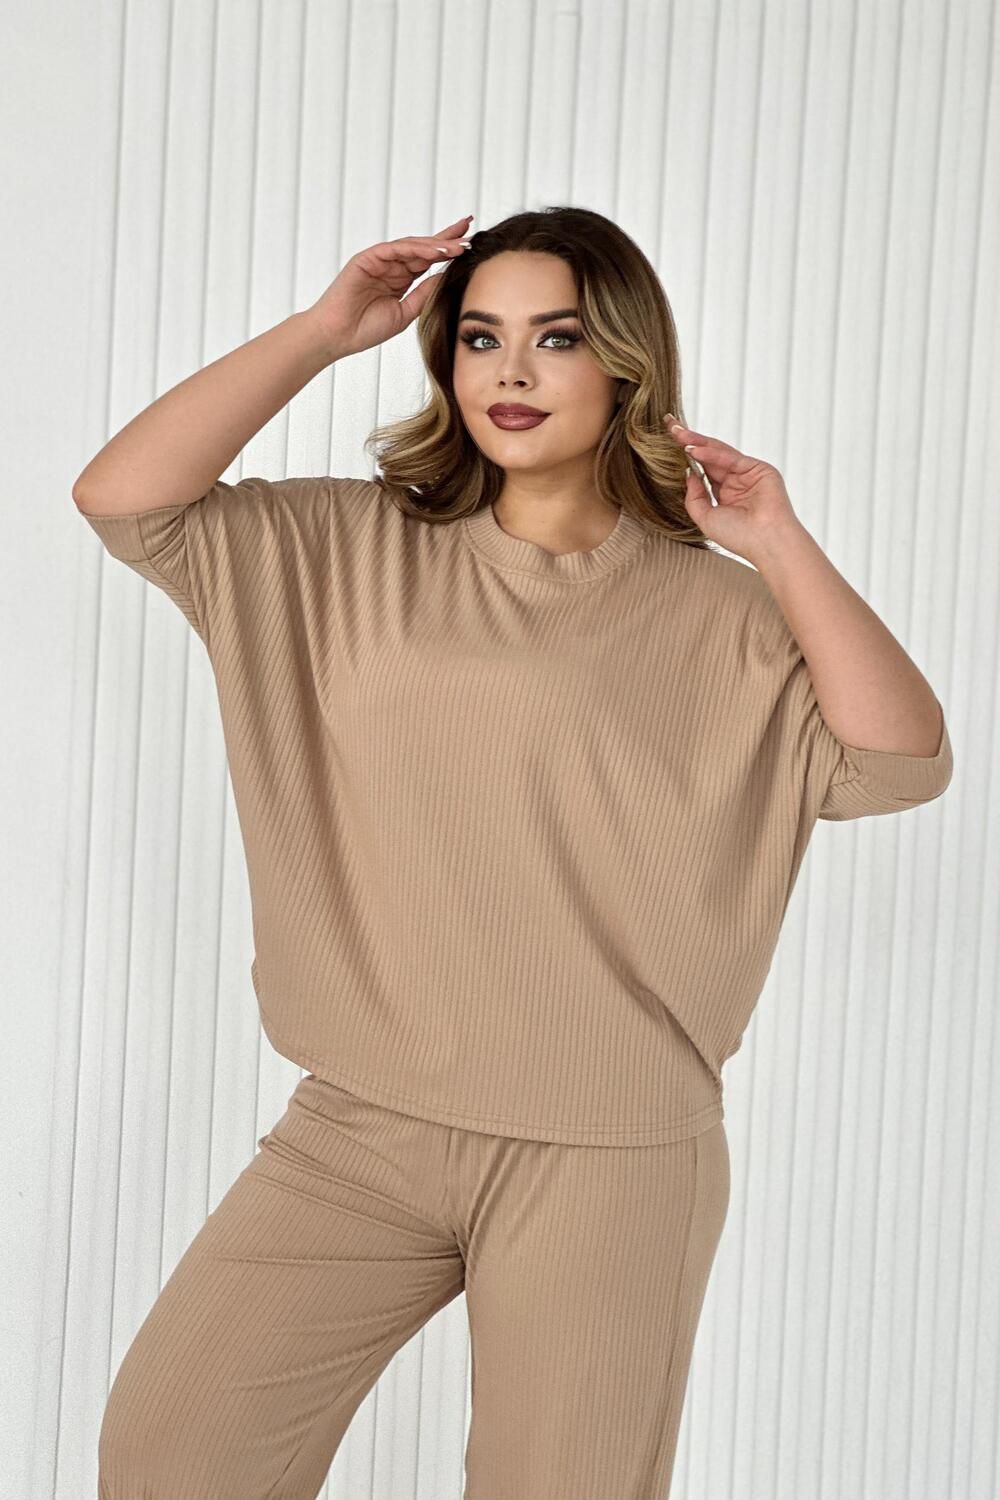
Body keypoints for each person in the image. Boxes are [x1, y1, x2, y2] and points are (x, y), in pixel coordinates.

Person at [75, 205, 953, 1499]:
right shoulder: (342, 546)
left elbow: (900, 762)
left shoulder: (722, 611)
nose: (512, 371)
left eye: (558, 337)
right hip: (361, 1122)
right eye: (481, 337)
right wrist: (322, 332)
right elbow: (125, 499)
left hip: (610, 1148)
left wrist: (774, 537)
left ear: (625, 362)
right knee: (174, 1455)